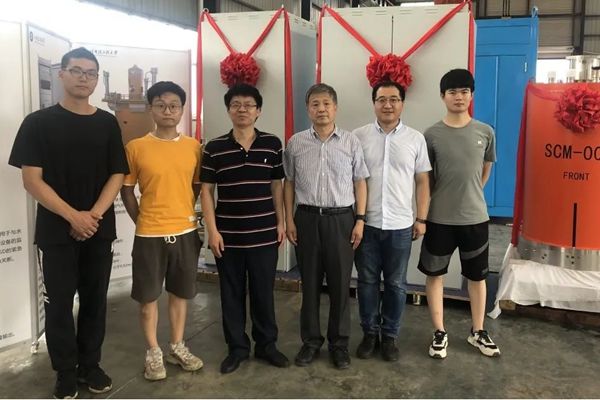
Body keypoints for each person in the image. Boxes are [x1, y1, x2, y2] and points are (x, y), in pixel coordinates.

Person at [8, 47, 128, 399]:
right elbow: (32, 180)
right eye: (76, 70)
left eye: (90, 73)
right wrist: (74, 216)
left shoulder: (106, 123)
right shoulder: (38, 123)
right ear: (61, 73)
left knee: (95, 300)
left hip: (98, 230)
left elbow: (117, 173)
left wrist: (92, 216)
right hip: (55, 232)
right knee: (58, 304)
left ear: (97, 79)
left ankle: (90, 365)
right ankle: (64, 371)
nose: (83, 78)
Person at [200, 83, 289, 374]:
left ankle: (266, 345)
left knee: (264, 292)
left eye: (249, 105)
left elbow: (277, 185)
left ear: (258, 110)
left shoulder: (272, 144)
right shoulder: (214, 148)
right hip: (228, 237)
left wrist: (281, 222)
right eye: (236, 104)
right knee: (231, 294)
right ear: (229, 110)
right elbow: (206, 191)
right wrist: (212, 231)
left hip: (264, 234)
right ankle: (237, 348)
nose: (242, 110)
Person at [120, 81, 203, 381]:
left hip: (185, 231)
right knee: (148, 298)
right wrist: (141, 220)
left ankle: (177, 346)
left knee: (180, 294)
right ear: (151, 108)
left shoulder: (194, 147)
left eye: (174, 106)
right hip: (149, 235)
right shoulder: (136, 148)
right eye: (161, 105)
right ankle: (153, 351)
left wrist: (183, 211)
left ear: (181, 110)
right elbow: (127, 190)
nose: (168, 111)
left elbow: (195, 187)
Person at [284, 83, 369, 370]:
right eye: (315, 104)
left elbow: (360, 182)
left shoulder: (351, 142)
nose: (321, 109)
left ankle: (339, 344)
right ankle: (310, 342)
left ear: (335, 108)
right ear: (308, 109)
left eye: (326, 104)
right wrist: (289, 219)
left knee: (340, 285)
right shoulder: (296, 143)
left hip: (342, 220)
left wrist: (360, 219)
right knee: (309, 284)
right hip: (306, 219)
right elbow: (289, 183)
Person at [417, 68, 500, 359]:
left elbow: (484, 171)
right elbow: (427, 179)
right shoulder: (431, 135)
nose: (459, 97)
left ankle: (478, 331)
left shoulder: (485, 132)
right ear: (443, 96)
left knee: (477, 277)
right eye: (452, 92)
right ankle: (439, 332)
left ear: (471, 95)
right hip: (439, 219)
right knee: (435, 275)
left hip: (475, 219)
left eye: (464, 91)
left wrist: (471, 194)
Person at [352, 81, 431, 362]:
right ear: (374, 103)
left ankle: (390, 337)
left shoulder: (415, 139)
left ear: (402, 103)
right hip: (367, 224)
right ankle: (369, 334)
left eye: (394, 99)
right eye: (382, 99)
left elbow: (422, 181)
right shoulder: (358, 137)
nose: (388, 105)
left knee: (396, 284)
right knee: (367, 282)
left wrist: (421, 218)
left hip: (400, 226)